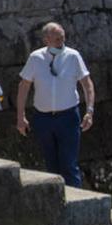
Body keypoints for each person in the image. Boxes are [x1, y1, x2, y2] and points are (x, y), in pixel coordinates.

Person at [16, 22, 95, 188]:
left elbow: (87, 84)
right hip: (43, 118)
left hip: (68, 117)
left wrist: (89, 111)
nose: (61, 41)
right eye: (57, 38)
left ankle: (77, 203)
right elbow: (24, 86)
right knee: (51, 165)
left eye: (62, 38)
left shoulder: (73, 56)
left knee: (69, 164)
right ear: (46, 40)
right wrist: (20, 116)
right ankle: (56, 203)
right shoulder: (36, 58)